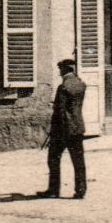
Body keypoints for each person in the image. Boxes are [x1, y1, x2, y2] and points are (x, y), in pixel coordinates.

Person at [41, 59, 87, 198]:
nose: (59, 72)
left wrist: (53, 131)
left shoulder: (63, 87)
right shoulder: (81, 84)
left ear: (63, 70)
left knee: (53, 158)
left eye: (60, 69)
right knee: (78, 160)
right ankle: (80, 190)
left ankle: (53, 190)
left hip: (63, 129)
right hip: (77, 127)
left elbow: (59, 110)